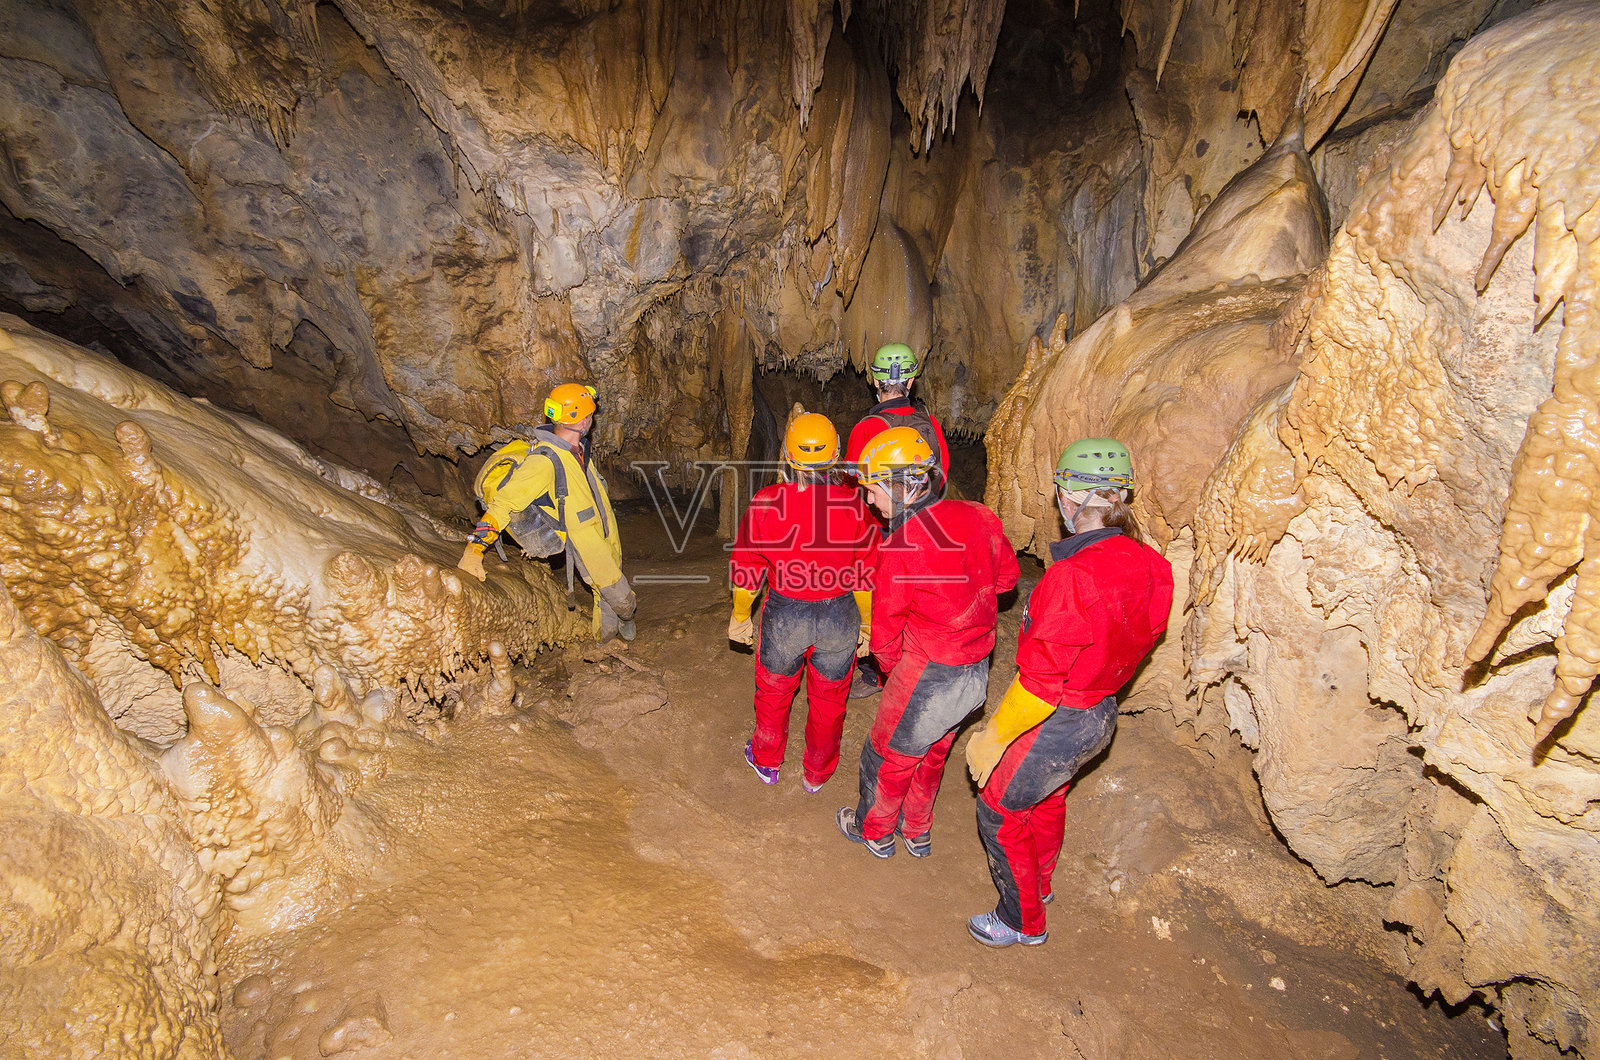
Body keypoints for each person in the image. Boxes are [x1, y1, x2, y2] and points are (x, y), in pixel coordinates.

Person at [963, 438, 1174, 946]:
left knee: (999, 809)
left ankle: (1021, 920)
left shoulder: (1071, 577)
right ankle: (1040, 883)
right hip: (1101, 714)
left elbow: (1039, 686)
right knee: (1048, 796)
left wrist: (993, 737)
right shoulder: (1152, 564)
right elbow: (1147, 633)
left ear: (1070, 497)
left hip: (1056, 719)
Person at [837, 426, 1019, 858]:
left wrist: (894, 673)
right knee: (933, 752)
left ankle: (874, 830)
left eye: (873, 490)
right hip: (975, 672)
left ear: (899, 487)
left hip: (926, 673)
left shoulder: (901, 545)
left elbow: (885, 638)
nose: (869, 501)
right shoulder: (979, 515)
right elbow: (1007, 580)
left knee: (888, 755)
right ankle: (916, 829)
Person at [728, 412, 876, 792]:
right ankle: (817, 774)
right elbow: (865, 576)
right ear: (836, 456)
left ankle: (767, 761)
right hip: (839, 613)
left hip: (786, 613)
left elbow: (747, 568)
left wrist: (741, 616)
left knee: (775, 690)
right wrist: (867, 624)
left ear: (788, 457)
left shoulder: (766, 502)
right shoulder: (856, 506)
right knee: (830, 698)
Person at [457, 383, 637, 643]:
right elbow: (503, 505)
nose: (591, 419)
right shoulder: (544, 462)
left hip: (606, 533)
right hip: (588, 546)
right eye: (589, 415)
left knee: (605, 592)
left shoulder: (577, 449)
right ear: (579, 420)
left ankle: (608, 631)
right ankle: (617, 627)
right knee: (619, 595)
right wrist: (474, 549)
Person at [846, 344, 951, 700]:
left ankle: (875, 671)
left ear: (875, 380)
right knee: (914, 598)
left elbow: (855, 488)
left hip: (878, 533)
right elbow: (941, 477)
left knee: (881, 600)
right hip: (924, 528)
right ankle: (917, 659)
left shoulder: (867, 429)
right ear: (911, 380)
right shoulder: (931, 425)